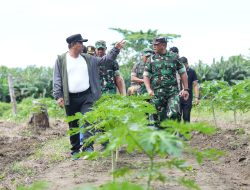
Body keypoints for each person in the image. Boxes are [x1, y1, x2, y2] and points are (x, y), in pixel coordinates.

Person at [53, 34, 125, 157]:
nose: (83, 45)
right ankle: (75, 150)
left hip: (87, 96)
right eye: (81, 43)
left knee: (88, 120)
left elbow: (105, 60)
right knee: (73, 124)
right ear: (74, 44)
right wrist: (58, 96)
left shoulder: (87, 58)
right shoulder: (61, 60)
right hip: (70, 97)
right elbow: (57, 79)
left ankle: (88, 147)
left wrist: (116, 49)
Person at [143, 37, 189, 126]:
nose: (154, 46)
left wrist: (186, 89)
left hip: (173, 93)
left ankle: (173, 134)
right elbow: (146, 75)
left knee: (174, 114)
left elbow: (183, 73)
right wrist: (148, 89)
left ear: (163, 45)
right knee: (159, 120)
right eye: (153, 44)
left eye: (156, 44)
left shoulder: (174, 57)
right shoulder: (151, 59)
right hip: (157, 94)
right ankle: (163, 137)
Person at [179, 56, 199, 122]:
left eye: (182, 65)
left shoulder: (192, 72)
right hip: (177, 97)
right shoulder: (177, 72)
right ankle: (177, 132)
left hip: (188, 97)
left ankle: (186, 132)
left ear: (186, 63)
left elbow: (195, 85)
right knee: (176, 116)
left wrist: (196, 97)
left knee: (186, 116)